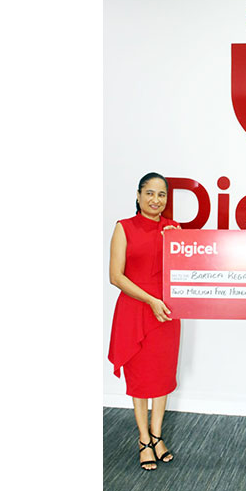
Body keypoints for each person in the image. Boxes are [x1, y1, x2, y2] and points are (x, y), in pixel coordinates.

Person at [108, 172, 181, 471]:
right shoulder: (123, 228)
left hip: (165, 314)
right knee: (139, 381)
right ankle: (143, 440)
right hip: (135, 312)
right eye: (149, 193)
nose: (155, 199)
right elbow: (116, 276)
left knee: (162, 378)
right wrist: (149, 299)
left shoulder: (174, 230)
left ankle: (158, 435)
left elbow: (186, 272)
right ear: (138, 196)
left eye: (161, 194)